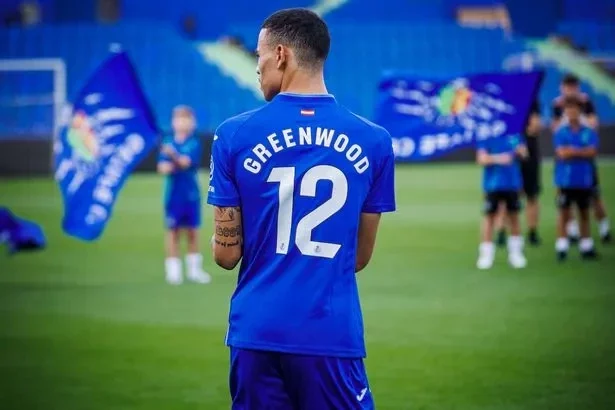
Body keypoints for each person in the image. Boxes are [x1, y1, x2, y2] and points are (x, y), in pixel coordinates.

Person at [207, 8, 395, 409]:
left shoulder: (233, 135)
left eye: (258, 55)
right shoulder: (374, 141)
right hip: (328, 333)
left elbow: (226, 256)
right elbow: (358, 257)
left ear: (280, 54)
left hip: (255, 331)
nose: (257, 67)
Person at [551, 74, 611, 243]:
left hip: (584, 159)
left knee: (594, 194)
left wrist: (578, 117)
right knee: (564, 199)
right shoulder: (557, 104)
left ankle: (604, 227)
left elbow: (593, 124)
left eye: (572, 87)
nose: (569, 91)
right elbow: (556, 128)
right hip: (565, 160)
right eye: (566, 87)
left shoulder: (585, 102)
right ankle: (572, 231)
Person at [157, 105, 211, 285]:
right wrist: (171, 162)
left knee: (193, 232)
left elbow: (186, 163)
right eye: (179, 119)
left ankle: (194, 270)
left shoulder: (193, 143)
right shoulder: (168, 141)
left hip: (191, 195)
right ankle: (173, 271)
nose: (182, 123)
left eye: (186, 119)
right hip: (172, 196)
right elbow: (162, 168)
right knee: (172, 232)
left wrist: (172, 156)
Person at [553, 96, 599, 261]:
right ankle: (562, 246)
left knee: (584, 212)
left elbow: (592, 152)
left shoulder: (588, 131)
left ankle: (586, 245)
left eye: (575, 108)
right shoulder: (561, 131)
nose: (572, 111)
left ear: (580, 111)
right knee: (564, 213)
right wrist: (581, 152)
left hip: (583, 179)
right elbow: (562, 153)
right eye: (569, 108)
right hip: (565, 180)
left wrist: (572, 151)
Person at [476, 133, 528, 270]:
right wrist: (499, 158)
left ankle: (516, 254)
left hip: (512, 183)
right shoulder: (487, 134)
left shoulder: (515, 134)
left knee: (514, 217)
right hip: (492, 184)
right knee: (489, 217)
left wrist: (519, 152)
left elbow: (524, 154)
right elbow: (481, 159)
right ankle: (486, 255)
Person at [495, 100, 543, 247]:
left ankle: (532, 232)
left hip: (528, 155)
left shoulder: (531, 98)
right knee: (505, 195)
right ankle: (501, 231)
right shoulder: (504, 98)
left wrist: (519, 129)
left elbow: (534, 128)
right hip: (508, 154)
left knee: (531, 194)